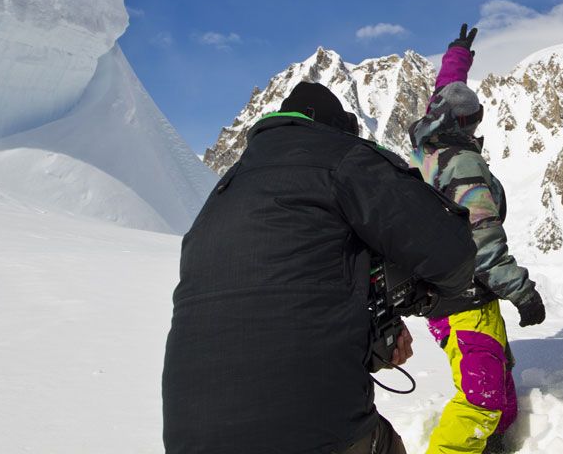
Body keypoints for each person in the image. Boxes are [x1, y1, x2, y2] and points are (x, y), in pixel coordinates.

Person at [162, 82, 477, 454]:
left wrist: (369, 332)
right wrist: (420, 293)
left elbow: (271, 306)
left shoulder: (223, 193)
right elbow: (452, 254)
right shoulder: (342, 157)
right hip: (310, 433)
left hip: (187, 438)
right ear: (335, 129)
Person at [409, 24, 546, 454]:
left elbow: (445, 91)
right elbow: (483, 238)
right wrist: (523, 293)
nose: (475, 128)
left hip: (444, 295)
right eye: (473, 120)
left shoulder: (429, 145)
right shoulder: (464, 164)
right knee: (481, 401)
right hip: (465, 297)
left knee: (499, 391)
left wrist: (457, 58)